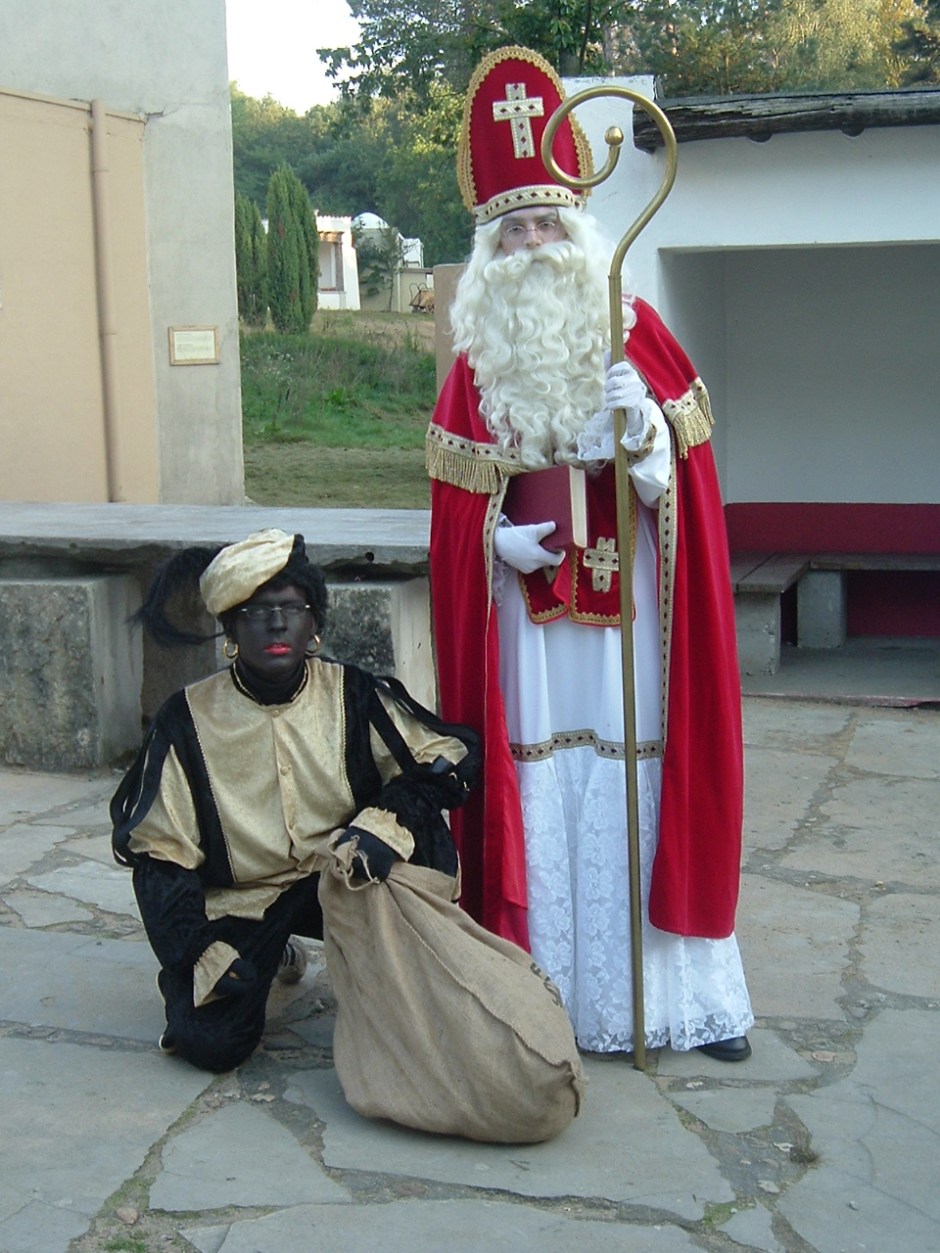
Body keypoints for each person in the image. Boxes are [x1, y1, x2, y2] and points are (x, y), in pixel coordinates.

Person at [426, 46, 753, 1060]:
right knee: (541, 782)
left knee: (640, 778)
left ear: (577, 231)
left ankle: (680, 1002)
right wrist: (496, 539)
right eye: (512, 230)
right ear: (490, 251)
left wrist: (648, 431)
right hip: (529, 633)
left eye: (544, 225)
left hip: (631, 625)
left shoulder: (636, 332)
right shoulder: (475, 364)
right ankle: (547, 1000)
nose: (531, 245)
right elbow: (451, 509)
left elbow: (690, 493)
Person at [111, 528, 478, 1073]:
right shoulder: (186, 720)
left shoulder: (353, 694)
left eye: (292, 608)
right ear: (231, 628)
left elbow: (442, 759)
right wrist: (193, 949)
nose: (277, 624)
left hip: (342, 873)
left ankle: (397, 959)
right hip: (246, 897)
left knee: (418, 832)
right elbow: (160, 854)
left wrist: (383, 823)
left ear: (314, 623)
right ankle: (273, 952)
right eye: (257, 612)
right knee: (210, 1043)